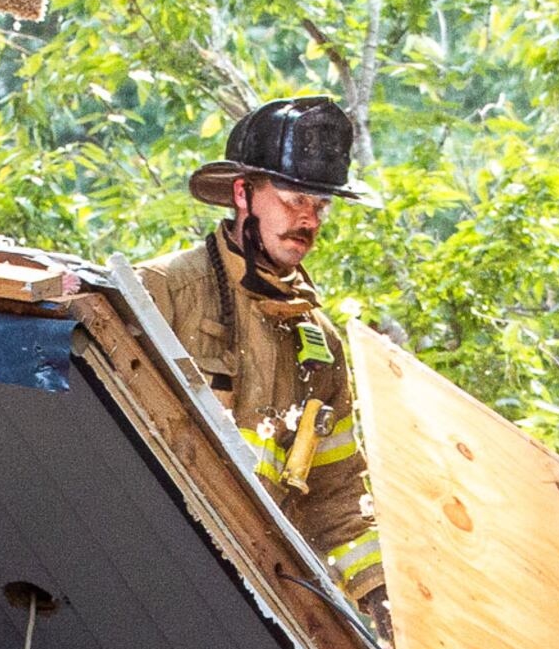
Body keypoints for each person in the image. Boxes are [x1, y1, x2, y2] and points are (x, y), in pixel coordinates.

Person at [138, 95, 387, 621]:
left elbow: (336, 498)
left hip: (257, 601)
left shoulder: (320, 345)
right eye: (295, 197)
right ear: (242, 193)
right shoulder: (164, 292)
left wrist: (381, 597)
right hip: (152, 572)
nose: (308, 219)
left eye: (320, 206)